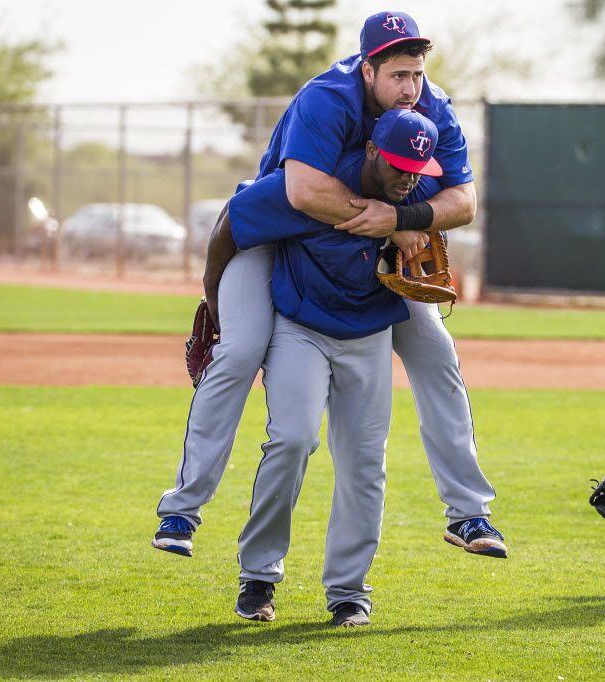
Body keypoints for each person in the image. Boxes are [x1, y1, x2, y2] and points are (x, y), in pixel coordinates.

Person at [152, 11, 505, 562]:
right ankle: (183, 507)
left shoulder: (431, 110)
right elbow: (299, 192)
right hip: (277, 231)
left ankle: (468, 514)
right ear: (368, 70)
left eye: (417, 73)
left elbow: (463, 201)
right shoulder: (327, 99)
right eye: (397, 75)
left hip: (368, 236)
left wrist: (406, 219)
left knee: (436, 353)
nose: (410, 88)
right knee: (240, 350)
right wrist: (214, 302)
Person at [220, 109, 443, 627]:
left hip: (369, 334)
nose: (408, 177)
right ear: (370, 152)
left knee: (366, 462)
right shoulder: (312, 186)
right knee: (293, 439)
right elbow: (232, 220)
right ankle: (257, 577)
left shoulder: (411, 203)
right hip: (300, 328)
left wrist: (408, 227)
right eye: (398, 165)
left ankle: (349, 591)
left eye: (418, 167)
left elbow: (454, 208)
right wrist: (215, 301)